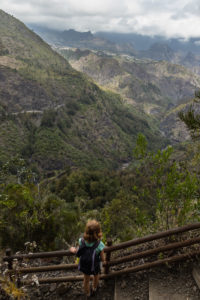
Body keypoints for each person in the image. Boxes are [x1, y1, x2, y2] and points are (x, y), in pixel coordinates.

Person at [70, 219, 105, 299]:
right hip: (95, 266)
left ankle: (88, 293)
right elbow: (103, 259)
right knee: (96, 276)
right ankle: (94, 288)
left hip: (85, 266)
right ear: (98, 232)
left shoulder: (81, 241)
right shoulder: (100, 245)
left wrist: (73, 249)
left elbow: (78, 250)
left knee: (86, 280)